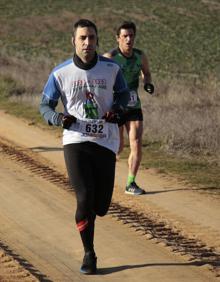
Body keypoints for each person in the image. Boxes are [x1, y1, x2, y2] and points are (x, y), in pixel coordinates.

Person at [39, 19, 129, 275]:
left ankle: (93, 220)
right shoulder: (60, 73)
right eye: (82, 38)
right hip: (76, 141)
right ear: (74, 41)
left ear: (97, 40)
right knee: (84, 198)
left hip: (105, 141)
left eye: (91, 38)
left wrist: (118, 110)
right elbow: (45, 106)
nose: (87, 43)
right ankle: (89, 253)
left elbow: (124, 95)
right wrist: (58, 118)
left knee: (100, 206)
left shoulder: (111, 69)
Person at [103, 21, 154, 196]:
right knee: (118, 147)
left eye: (131, 36)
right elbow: (95, 76)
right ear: (118, 38)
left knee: (137, 143)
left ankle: (130, 183)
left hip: (133, 106)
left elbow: (146, 73)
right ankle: (101, 177)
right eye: (125, 36)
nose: (128, 39)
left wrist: (147, 83)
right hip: (115, 107)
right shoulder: (110, 57)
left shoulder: (140, 56)